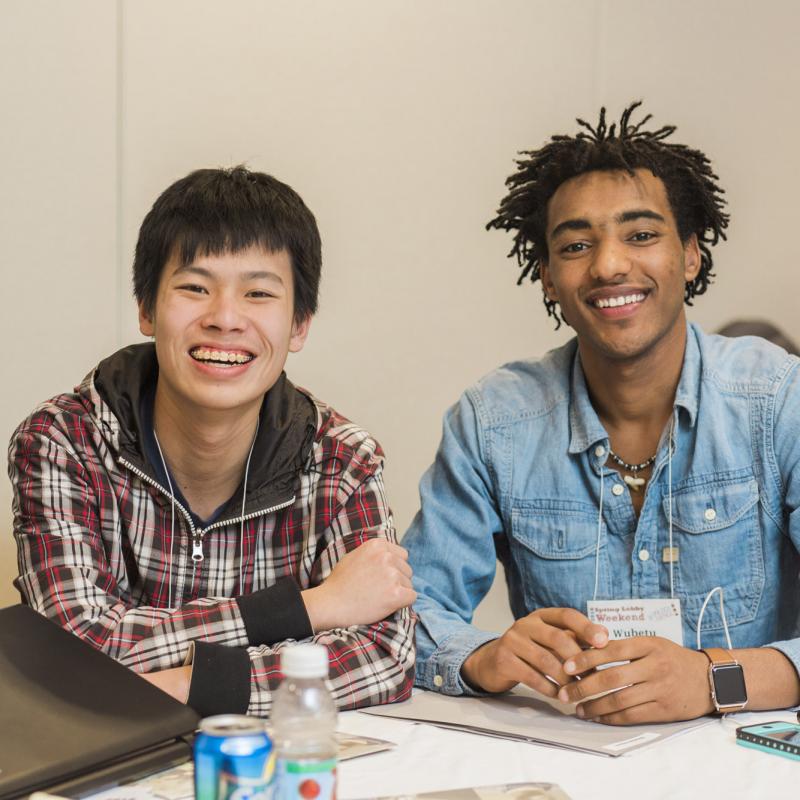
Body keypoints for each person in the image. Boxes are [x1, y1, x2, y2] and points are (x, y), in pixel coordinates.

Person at [404, 103, 800, 724]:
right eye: (577, 244)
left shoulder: (779, 401)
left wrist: (711, 678)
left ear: (691, 255)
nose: (610, 264)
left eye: (641, 235)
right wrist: (485, 656)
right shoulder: (493, 423)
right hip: (575, 766)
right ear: (548, 280)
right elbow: (410, 612)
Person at [9, 166, 416, 717]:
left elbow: (383, 657)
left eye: (258, 293)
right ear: (147, 309)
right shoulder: (63, 441)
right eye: (195, 288)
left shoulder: (342, 459)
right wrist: (315, 607)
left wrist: (181, 688)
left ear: (299, 325)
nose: (225, 318)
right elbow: (80, 646)